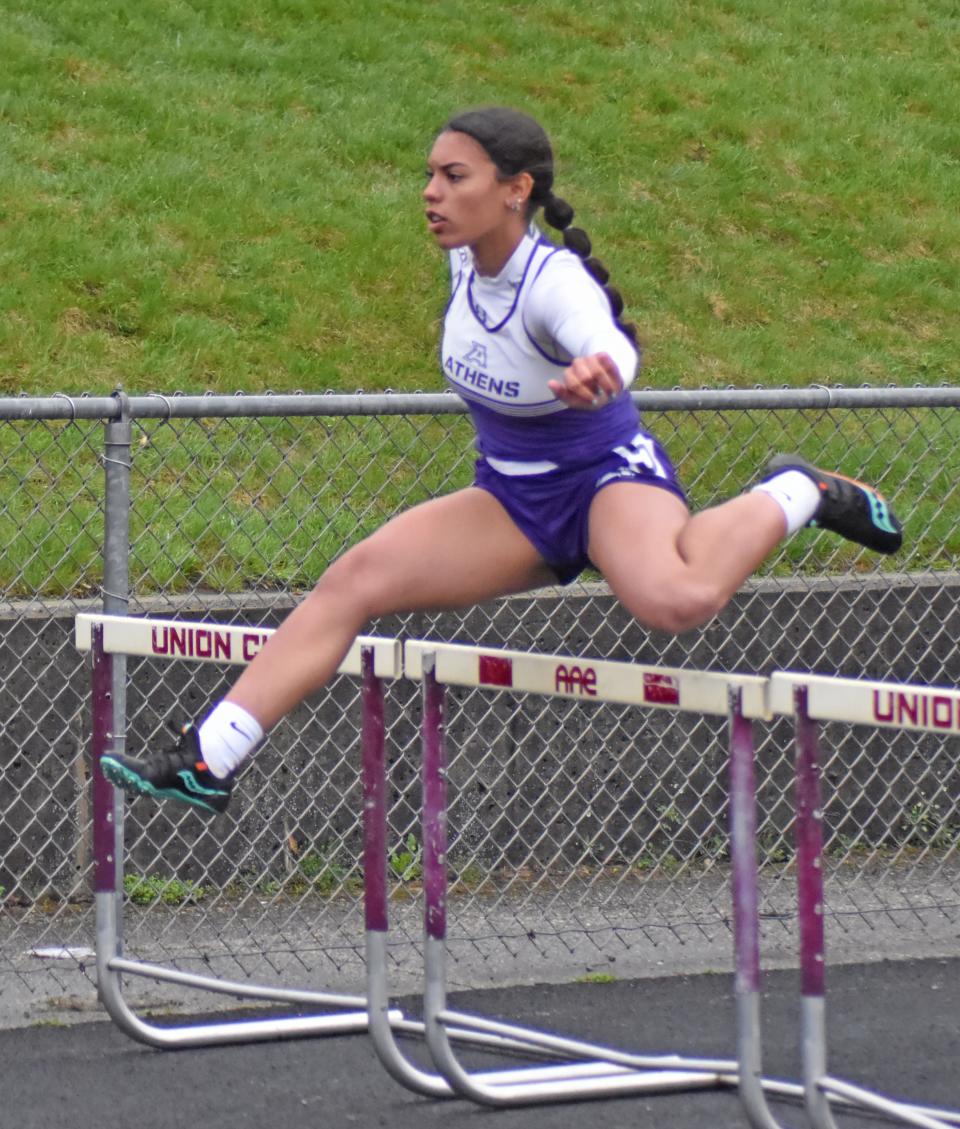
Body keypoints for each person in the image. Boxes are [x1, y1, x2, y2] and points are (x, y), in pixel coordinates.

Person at [101, 106, 902, 815]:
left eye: (454, 177)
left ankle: (797, 489)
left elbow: (606, 338)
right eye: (429, 176)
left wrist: (604, 371)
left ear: (515, 190)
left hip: (604, 481)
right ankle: (210, 756)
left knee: (679, 596)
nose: (431, 193)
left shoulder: (551, 281)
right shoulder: (460, 261)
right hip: (512, 498)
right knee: (354, 580)